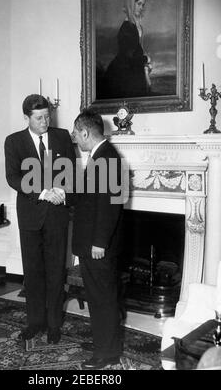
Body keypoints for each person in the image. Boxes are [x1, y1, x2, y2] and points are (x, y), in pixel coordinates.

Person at [4, 94, 76, 345]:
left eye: (48, 116)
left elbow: (72, 171)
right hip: (31, 216)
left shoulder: (62, 136)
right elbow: (13, 177)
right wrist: (44, 192)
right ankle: (35, 322)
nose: (45, 121)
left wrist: (63, 192)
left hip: (57, 215)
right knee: (32, 272)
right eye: (39, 118)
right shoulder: (14, 142)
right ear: (26, 118)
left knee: (57, 271)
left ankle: (55, 324)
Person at [71, 109, 126, 370]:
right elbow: (91, 200)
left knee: (102, 298)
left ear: (85, 132)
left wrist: (99, 243)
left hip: (98, 245)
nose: (74, 139)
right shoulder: (101, 156)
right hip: (94, 241)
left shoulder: (105, 158)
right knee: (98, 297)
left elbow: (108, 207)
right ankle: (104, 343)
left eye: (75, 134)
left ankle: (107, 354)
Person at [104, 0, 152, 98]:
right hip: (124, 72)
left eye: (143, 4)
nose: (141, 7)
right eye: (139, 4)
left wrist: (145, 62)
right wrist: (146, 59)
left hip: (134, 69)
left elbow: (137, 49)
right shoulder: (127, 28)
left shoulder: (134, 25)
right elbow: (128, 57)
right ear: (131, 4)